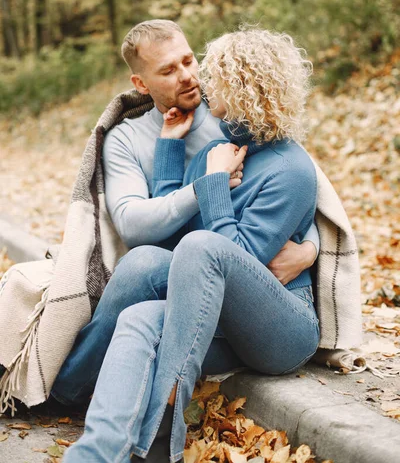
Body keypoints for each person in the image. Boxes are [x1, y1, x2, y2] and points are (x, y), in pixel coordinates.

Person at [63, 27, 320, 463]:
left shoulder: (290, 169)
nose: (201, 82)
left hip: (279, 329)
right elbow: (171, 240)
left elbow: (231, 262)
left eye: (212, 75)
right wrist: (171, 148)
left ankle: (167, 435)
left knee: (201, 248)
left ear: (241, 89)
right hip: (215, 321)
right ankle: (97, 452)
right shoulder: (215, 150)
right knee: (141, 318)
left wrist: (215, 185)